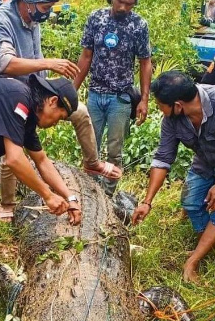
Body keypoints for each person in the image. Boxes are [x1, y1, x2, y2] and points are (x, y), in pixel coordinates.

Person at [0, 0, 117, 222]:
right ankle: (7, 203)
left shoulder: (34, 21)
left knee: (80, 112)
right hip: (8, 97)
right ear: (28, 3)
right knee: (11, 151)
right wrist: (47, 64)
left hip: (36, 92)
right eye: (45, 8)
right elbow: (5, 64)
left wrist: (69, 197)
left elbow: (42, 160)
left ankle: (92, 163)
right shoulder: (2, 19)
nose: (47, 13)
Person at [130, 71, 215, 282]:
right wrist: (147, 202)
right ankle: (207, 243)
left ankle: (193, 262)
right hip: (206, 161)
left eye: (160, 104)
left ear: (178, 105)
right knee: (190, 202)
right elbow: (163, 157)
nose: (159, 109)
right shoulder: (172, 119)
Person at [0, 75, 83, 272]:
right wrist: (48, 196)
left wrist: (70, 197)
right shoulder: (16, 96)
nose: (56, 124)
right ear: (52, 101)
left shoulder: (28, 120)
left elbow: (41, 161)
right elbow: (15, 159)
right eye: (60, 116)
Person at [74, 0, 152, 196]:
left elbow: (145, 63)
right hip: (95, 94)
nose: (123, 8)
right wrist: (71, 89)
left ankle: (108, 194)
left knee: (114, 150)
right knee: (90, 147)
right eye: (120, 2)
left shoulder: (139, 25)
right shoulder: (96, 18)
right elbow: (86, 56)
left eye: (129, 4)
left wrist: (144, 99)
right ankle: (90, 191)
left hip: (120, 98)